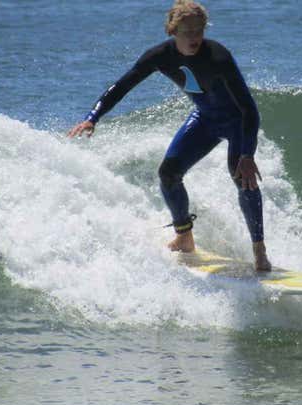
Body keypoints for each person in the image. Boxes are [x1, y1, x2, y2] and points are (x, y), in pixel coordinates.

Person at [68, 0, 271, 271]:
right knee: (168, 174)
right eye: (187, 32)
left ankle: (260, 251)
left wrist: (247, 154)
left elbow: (248, 108)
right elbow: (122, 86)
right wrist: (92, 117)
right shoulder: (159, 56)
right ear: (172, 31)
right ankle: (184, 236)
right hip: (205, 120)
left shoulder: (218, 56)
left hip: (236, 123)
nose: (195, 38)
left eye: (199, 30)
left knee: (243, 179)